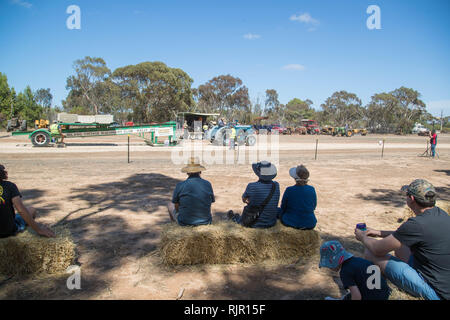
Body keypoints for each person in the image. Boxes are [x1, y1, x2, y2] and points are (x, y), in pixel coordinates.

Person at [355, 179, 450, 300]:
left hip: (436, 292)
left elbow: (377, 249)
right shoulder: (440, 213)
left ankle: (375, 294)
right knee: (402, 247)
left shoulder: (416, 224)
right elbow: (405, 236)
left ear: (412, 199)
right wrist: (378, 232)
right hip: (442, 282)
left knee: (371, 254)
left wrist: (362, 237)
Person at [319, 240, 391, 300]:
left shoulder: (345, 271)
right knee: (350, 296)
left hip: (370, 297)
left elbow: (357, 297)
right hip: (384, 295)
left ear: (335, 261)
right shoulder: (360, 261)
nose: (329, 268)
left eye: (328, 265)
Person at [0, 164, 55, 238]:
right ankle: (28, 232)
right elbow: (20, 210)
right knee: (32, 210)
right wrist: (39, 230)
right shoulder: (10, 186)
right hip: (7, 231)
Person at [228, 161, 280, 228]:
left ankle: (234, 218)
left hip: (254, 223)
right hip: (271, 222)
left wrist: (249, 200)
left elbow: (244, 200)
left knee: (240, 219)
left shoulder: (251, 186)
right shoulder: (276, 185)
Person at [167, 157, 215, 226]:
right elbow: (211, 202)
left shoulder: (180, 185)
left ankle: (175, 226)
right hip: (206, 222)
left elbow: (176, 205)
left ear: (187, 172)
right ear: (200, 171)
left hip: (185, 222)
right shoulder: (207, 184)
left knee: (169, 205)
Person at [278, 165, 317, 230]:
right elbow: (313, 206)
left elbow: (283, 207)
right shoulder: (312, 189)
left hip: (290, 222)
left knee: (277, 211)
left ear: (295, 178)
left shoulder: (289, 190)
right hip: (310, 223)